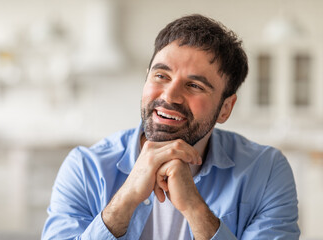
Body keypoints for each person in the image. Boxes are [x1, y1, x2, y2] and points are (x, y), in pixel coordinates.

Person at [41, 14, 300, 239]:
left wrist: (195, 209)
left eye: (195, 86)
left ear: (225, 108)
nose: (169, 96)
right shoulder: (84, 167)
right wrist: (127, 197)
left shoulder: (265, 171)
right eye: (160, 76)